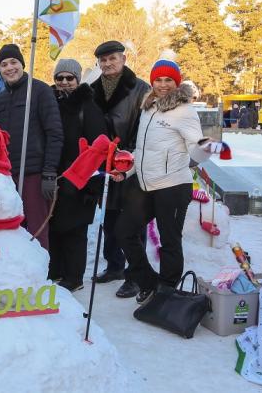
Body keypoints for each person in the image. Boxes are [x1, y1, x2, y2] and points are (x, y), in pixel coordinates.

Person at [114, 59, 215, 304]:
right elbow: (145, 148)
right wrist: (126, 171)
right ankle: (148, 282)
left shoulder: (185, 110)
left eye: (168, 80)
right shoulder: (148, 106)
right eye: (158, 79)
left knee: (169, 241)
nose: (163, 84)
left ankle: (167, 289)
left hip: (173, 186)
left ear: (176, 82)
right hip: (146, 184)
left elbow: (195, 147)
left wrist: (204, 149)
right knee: (123, 231)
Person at [89, 40, 150, 299]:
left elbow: (145, 126)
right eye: (103, 60)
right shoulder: (93, 90)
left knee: (133, 221)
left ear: (123, 59)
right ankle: (114, 265)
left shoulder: (140, 89)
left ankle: (136, 275)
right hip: (104, 163)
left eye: (112, 58)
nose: (107, 64)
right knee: (110, 218)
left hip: (131, 162)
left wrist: (128, 155)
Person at [0, 43, 63, 249]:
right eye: (4, 64)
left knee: (36, 230)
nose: (9, 68)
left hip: (34, 173)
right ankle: (14, 274)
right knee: (10, 228)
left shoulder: (39, 91)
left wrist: (49, 171)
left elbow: (54, 132)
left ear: (22, 64)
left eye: (14, 62)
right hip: (8, 175)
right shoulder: (0, 99)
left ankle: (38, 274)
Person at [49, 59, 107, 292]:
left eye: (69, 78)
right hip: (54, 177)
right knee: (54, 228)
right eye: (59, 78)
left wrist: (92, 187)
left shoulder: (88, 107)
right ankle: (55, 272)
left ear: (77, 80)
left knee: (74, 231)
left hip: (80, 181)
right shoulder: (50, 103)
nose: (64, 82)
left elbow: (99, 149)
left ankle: (74, 277)